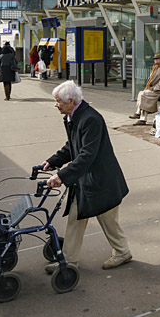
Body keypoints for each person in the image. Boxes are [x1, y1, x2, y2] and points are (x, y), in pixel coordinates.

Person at [41, 81, 132, 272]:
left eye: (58, 101)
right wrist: (54, 161)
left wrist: (62, 176)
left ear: (71, 101)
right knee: (77, 216)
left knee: (107, 219)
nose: (56, 104)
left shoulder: (90, 119)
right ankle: (69, 261)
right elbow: (72, 146)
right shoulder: (75, 116)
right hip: (88, 179)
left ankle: (122, 253)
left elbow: (86, 155)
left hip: (100, 180)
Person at [131, 52, 160, 126]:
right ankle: (141, 118)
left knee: (143, 94)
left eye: (157, 59)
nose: (155, 60)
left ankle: (139, 113)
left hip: (158, 90)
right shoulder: (155, 67)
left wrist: (153, 88)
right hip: (152, 89)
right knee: (142, 94)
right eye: (155, 59)